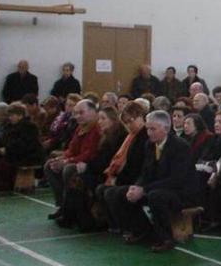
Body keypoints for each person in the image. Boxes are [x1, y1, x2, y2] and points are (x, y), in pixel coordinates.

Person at [107, 110, 197, 252]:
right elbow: (145, 172)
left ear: (166, 129)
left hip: (181, 192)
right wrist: (136, 186)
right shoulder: (149, 145)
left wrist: (144, 189)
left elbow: (176, 179)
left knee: (155, 196)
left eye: (153, 129)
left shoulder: (181, 147)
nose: (149, 132)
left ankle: (166, 238)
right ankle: (139, 230)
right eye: (148, 128)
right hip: (156, 187)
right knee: (117, 193)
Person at [60, 107, 127, 230]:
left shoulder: (120, 137)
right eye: (99, 118)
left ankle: (83, 220)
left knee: (79, 180)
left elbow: (108, 161)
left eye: (103, 118)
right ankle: (72, 216)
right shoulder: (106, 136)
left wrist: (88, 166)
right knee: (76, 178)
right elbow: (99, 158)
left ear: (113, 120)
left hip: (109, 173)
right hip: (101, 170)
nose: (100, 121)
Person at [44, 99, 101, 220]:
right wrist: (62, 157)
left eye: (81, 112)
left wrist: (67, 161)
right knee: (50, 165)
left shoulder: (96, 128)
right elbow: (72, 148)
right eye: (76, 113)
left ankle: (70, 209)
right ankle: (62, 205)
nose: (77, 116)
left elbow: (89, 154)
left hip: (91, 164)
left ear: (93, 111)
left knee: (68, 170)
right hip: (78, 160)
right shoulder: (80, 128)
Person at [97, 102, 149, 232]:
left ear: (140, 117)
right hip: (129, 176)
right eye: (126, 122)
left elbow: (138, 166)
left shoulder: (144, 137)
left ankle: (130, 226)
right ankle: (115, 224)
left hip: (138, 179)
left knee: (111, 192)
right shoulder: (131, 137)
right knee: (101, 189)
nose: (128, 125)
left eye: (131, 121)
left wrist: (118, 180)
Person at [0, 104, 45, 190]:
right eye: (9, 115)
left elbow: (24, 145)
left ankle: (5, 186)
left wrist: (7, 150)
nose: (10, 118)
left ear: (20, 115)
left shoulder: (29, 127)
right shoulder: (10, 126)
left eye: (12, 115)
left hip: (29, 155)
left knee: (2, 164)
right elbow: (3, 139)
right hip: (17, 153)